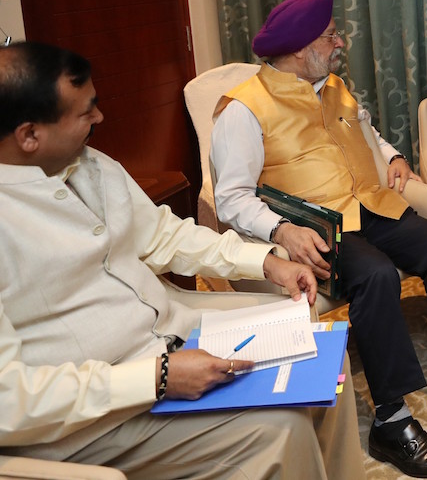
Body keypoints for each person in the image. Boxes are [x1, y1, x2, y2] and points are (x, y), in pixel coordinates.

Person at [0, 41, 362, 479]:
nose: (99, 118)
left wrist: (266, 261)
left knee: (320, 354)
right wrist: (156, 376)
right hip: (98, 419)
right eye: (84, 112)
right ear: (29, 135)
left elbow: (164, 236)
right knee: (281, 428)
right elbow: (10, 399)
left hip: (172, 333)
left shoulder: (90, 165)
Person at [211, 0, 427, 479]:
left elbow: (367, 134)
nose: (340, 43)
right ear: (301, 49)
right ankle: (393, 421)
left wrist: (395, 156)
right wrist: (282, 230)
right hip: (317, 227)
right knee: (377, 276)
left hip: (370, 203)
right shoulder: (243, 109)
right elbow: (230, 199)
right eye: (331, 36)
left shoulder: (334, 86)